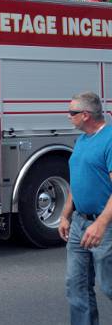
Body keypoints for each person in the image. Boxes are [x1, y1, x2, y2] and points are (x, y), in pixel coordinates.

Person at [60, 91, 112, 325]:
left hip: (105, 225)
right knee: (76, 285)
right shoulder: (81, 140)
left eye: (72, 113)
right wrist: (65, 215)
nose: (68, 116)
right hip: (80, 223)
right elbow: (77, 179)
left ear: (86, 115)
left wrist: (101, 224)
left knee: (109, 285)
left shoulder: (110, 140)